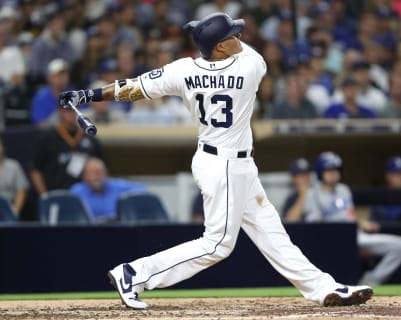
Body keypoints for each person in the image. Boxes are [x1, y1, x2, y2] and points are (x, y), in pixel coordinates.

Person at [58, 13, 373, 310]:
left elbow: (133, 88)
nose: (239, 36)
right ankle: (134, 273)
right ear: (221, 46)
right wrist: (205, 33)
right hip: (224, 166)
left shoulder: (183, 70)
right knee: (218, 244)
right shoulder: (251, 66)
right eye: (232, 35)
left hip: (226, 162)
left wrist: (88, 94)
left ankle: (322, 288)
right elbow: (237, 49)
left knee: (271, 231)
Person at [300, 151, 401, 286]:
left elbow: (348, 217)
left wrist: (361, 223)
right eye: (329, 170)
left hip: (356, 237)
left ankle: (370, 281)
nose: (333, 173)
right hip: (331, 241)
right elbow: (313, 227)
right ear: (320, 172)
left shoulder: (344, 190)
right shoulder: (313, 194)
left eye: (336, 169)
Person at [30, 105, 106, 197]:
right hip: (56, 194)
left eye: (74, 110)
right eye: (68, 111)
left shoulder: (89, 139)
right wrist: (45, 196)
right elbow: (36, 170)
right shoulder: (46, 139)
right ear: (60, 112)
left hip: (86, 197)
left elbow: (103, 168)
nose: (71, 114)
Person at [70, 157, 146, 222]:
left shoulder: (116, 186)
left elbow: (142, 189)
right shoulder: (76, 192)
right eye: (92, 173)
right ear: (84, 176)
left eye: (99, 172)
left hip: (116, 229)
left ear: (106, 173)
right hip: (88, 231)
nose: (96, 177)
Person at [0, 138, 29, 215]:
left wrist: (14, 212)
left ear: (3, 147)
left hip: (9, 208)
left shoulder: (14, 166)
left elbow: (21, 191)